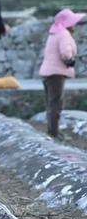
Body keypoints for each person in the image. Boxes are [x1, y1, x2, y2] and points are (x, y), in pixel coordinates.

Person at [39, 9, 85, 138]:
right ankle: (54, 133)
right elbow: (65, 52)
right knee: (56, 104)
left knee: (50, 103)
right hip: (56, 74)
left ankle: (51, 130)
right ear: (69, 24)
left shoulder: (54, 33)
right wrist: (70, 60)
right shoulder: (64, 34)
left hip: (47, 72)